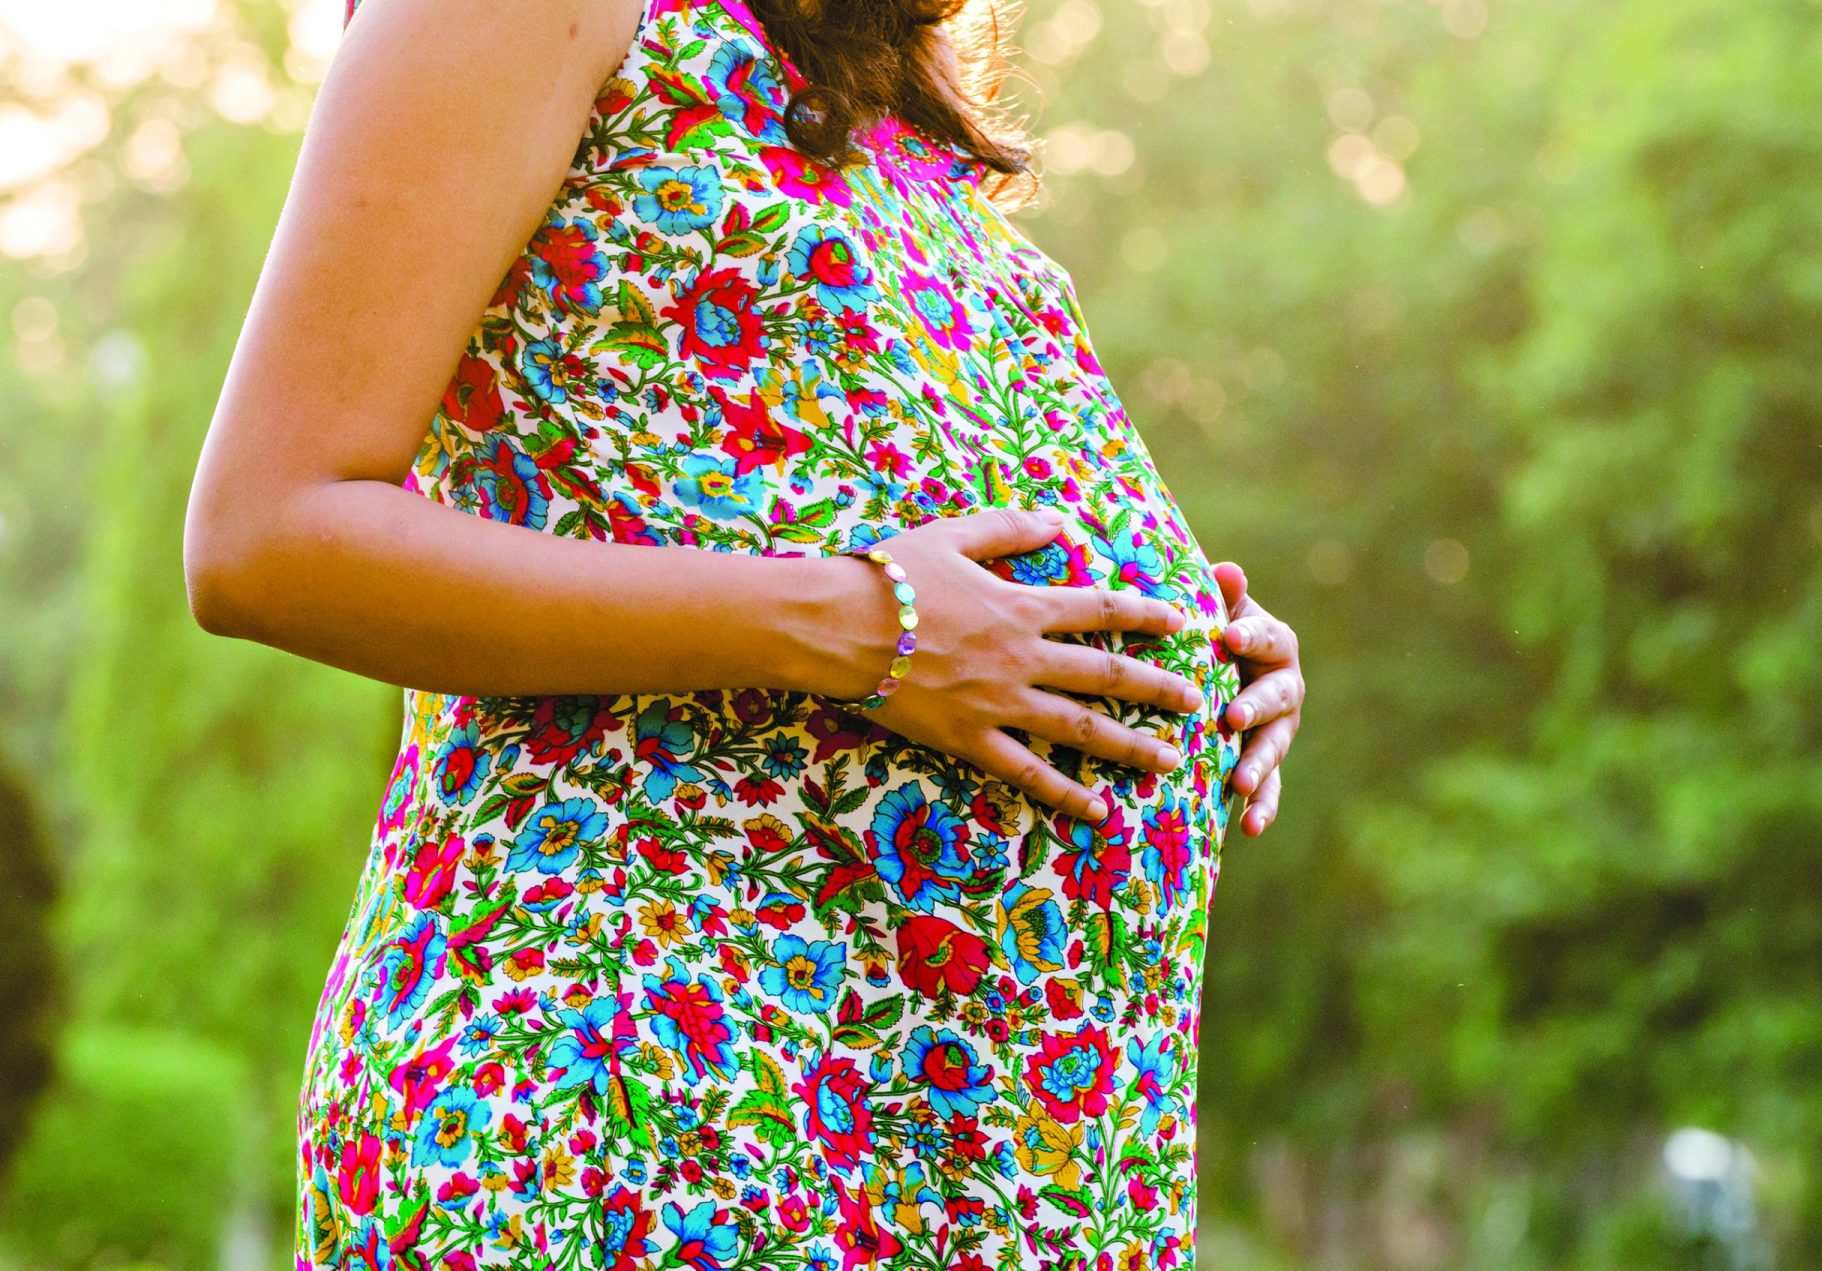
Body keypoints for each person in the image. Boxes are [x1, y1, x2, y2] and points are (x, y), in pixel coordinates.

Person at [183, 0, 1305, 1265]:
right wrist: (861, 620)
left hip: (979, 1136)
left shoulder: (875, 80)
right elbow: (265, 532)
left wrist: (1194, 650)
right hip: (651, 1098)